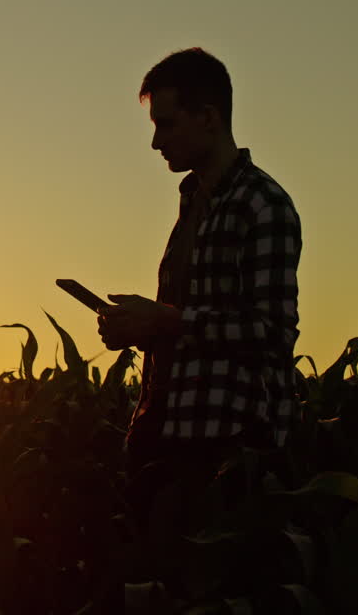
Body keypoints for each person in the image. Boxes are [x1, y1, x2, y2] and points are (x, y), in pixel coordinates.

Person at [96, 48, 302, 527]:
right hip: (164, 428)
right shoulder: (193, 203)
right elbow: (193, 327)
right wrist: (138, 330)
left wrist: (164, 318)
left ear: (208, 117)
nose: (155, 142)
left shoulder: (263, 205)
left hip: (226, 446)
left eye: (166, 125)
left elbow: (272, 334)